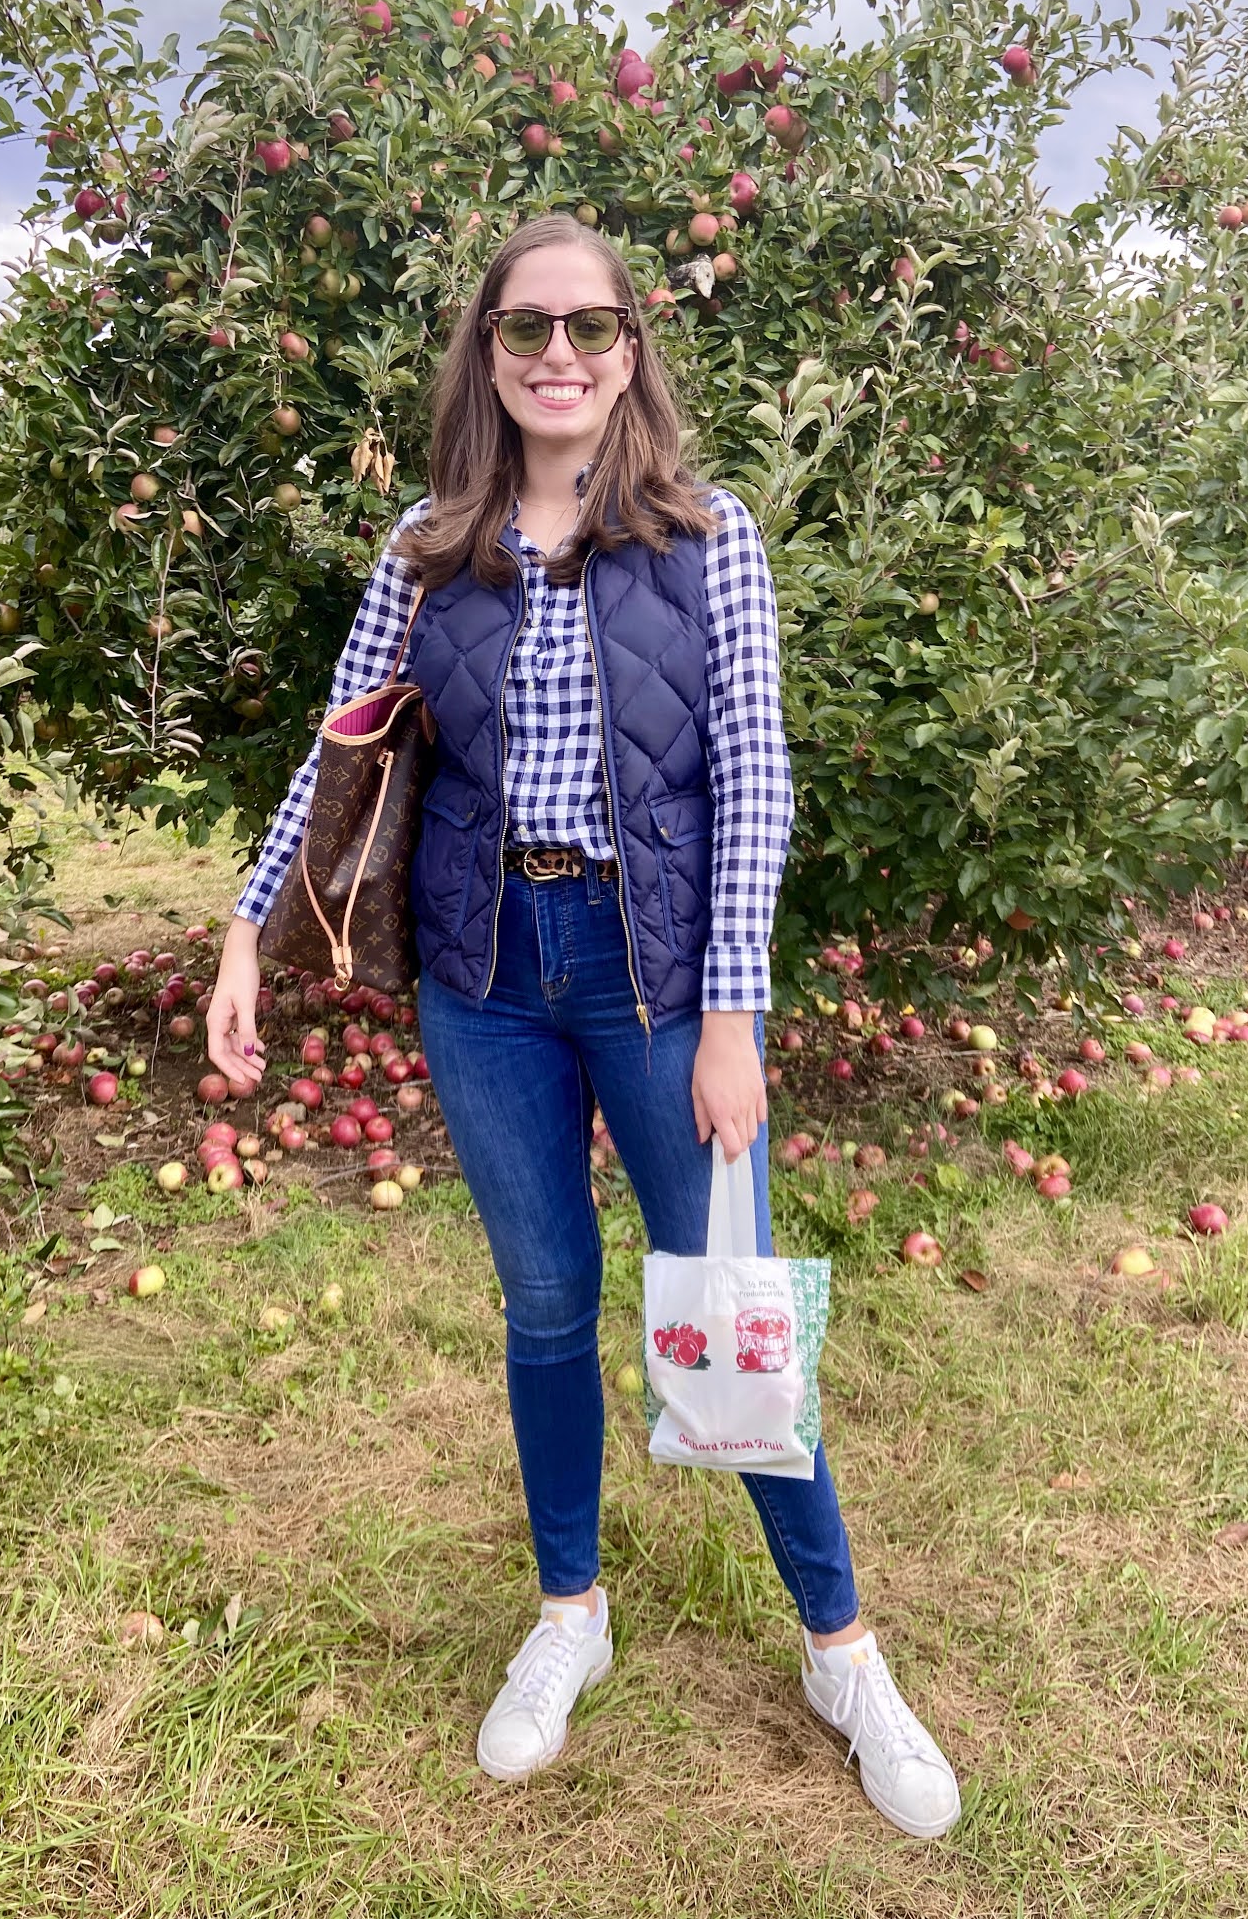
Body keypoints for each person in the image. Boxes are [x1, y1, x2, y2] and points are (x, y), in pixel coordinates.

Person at [209, 212, 961, 1838]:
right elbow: (342, 762)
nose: (560, 355)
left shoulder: (710, 537)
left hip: (658, 975)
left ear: (633, 352)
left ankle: (842, 1652)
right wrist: (248, 928)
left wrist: (733, 1011)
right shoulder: (428, 547)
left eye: (593, 328)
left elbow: (752, 775)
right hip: (486, 981)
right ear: (488, 353)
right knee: (549, 1306)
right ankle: (571, 1616)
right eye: (528, 328)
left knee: (727, 1318)